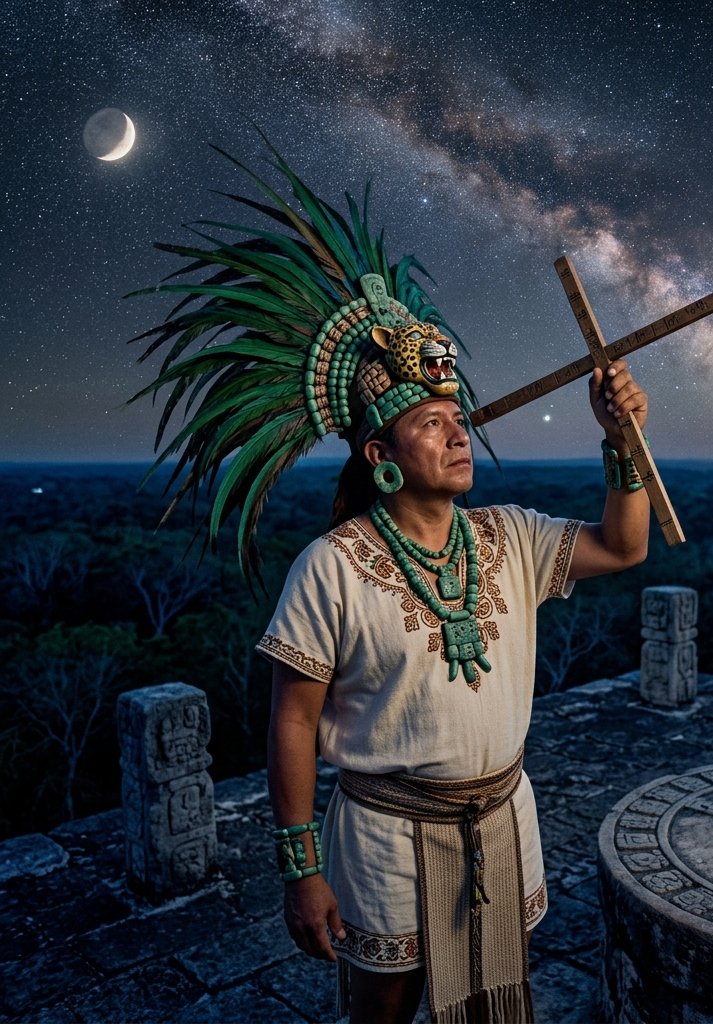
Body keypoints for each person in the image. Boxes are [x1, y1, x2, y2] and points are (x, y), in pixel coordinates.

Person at [130, 141, 650, 1024]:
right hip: (384, 842)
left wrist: (620, 439)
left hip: (503, 823)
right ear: (378, 455)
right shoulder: (332, 566)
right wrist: (301, 871)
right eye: (430, 423)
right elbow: (292, 718)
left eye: (459, 420)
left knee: (495, 995)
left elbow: (623, 546)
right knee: (385, 1008)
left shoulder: (511, 537)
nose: (456, 436)